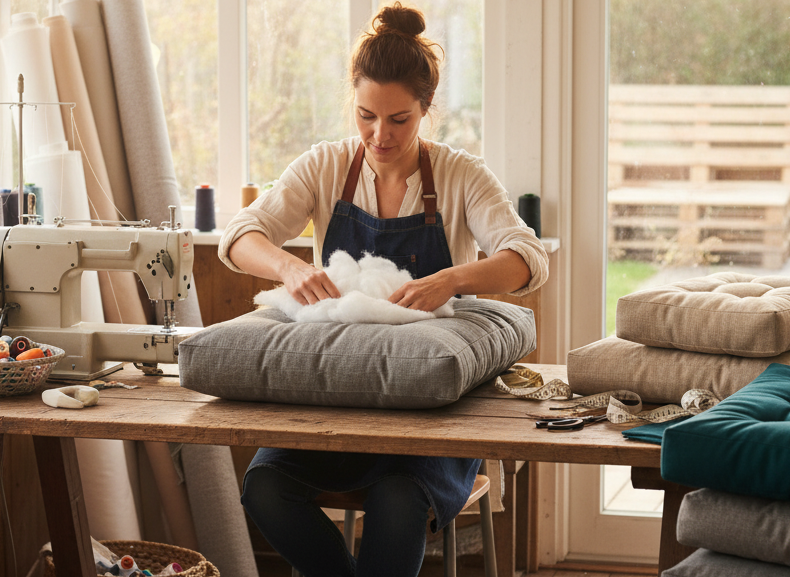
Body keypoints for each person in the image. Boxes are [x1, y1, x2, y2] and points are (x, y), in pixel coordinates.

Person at [219, 3, 548, 575]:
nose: (380, 135)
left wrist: (451, 279)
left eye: (399, 119)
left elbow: (528, 258)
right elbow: (240, 235)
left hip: (429, 419)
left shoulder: (461, 175)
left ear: (426, 107)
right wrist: (290, 269)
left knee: (398, 501)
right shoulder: (324, 167)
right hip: (335, 403)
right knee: (264, 487)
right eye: (366, 116)